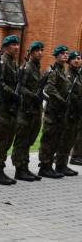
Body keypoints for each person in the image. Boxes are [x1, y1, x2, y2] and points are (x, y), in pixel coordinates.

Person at [0, 35, 21, 185]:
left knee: (8, 140)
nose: (16, 47)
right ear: (6, 47)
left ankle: (1, 167)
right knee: (0, 140)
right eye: (13, 45)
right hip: (4, 106)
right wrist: (11, 93)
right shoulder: (2, 61)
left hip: (12, 108)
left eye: (17, 45)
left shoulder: (14, 62)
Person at [10, 41, 45, 182]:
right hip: (25, 110)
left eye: (42, 50)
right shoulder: (26, 68)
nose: (40, 53)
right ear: (31, 52)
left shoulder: (38, 68)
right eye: (38, 50)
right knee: (22, 140)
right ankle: (19, 168)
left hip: (35, 110)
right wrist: (32, 96)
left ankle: (25, 166)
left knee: (29, 140)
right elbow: (21, 87)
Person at [36, 45, 71, 179]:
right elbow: (49, 88)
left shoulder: (62, 71)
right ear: (56, 55)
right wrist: (61, 100)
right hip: (53, 110)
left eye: (67, 53)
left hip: (60, 111)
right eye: (62, 53)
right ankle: (44, 166)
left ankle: (50, 164)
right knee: (48, 139)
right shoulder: (53, 70)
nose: (65, 55)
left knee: (57, 138)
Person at [55, 51, 81, 176]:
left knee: (71, 137)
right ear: (69, 61)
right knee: (65, 138)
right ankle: (60, 163)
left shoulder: (78, 74)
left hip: (77, 111)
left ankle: (63, 164)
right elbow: (70, 93)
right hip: (70, 110)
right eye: (74, 59)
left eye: (79, 58)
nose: (77, 61)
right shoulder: (68, 74)